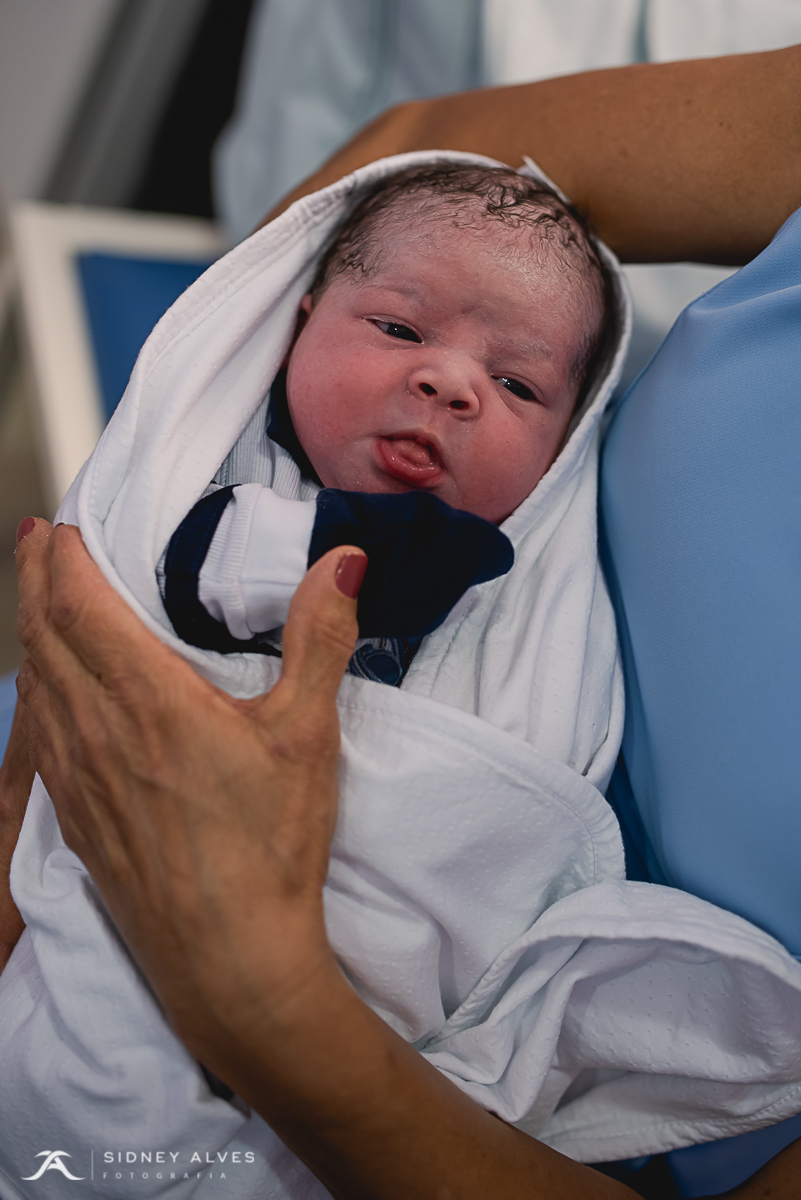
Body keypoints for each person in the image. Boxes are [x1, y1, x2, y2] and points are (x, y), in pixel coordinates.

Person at [4, 43, 801, 1200]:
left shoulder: (524, 568)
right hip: (109, 760)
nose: (452, 382)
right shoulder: (238, 511)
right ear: (295, 315)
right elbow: (428, 142)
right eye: (395, 330)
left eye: (522, 387)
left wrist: (275, 1003)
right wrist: (145, 472)